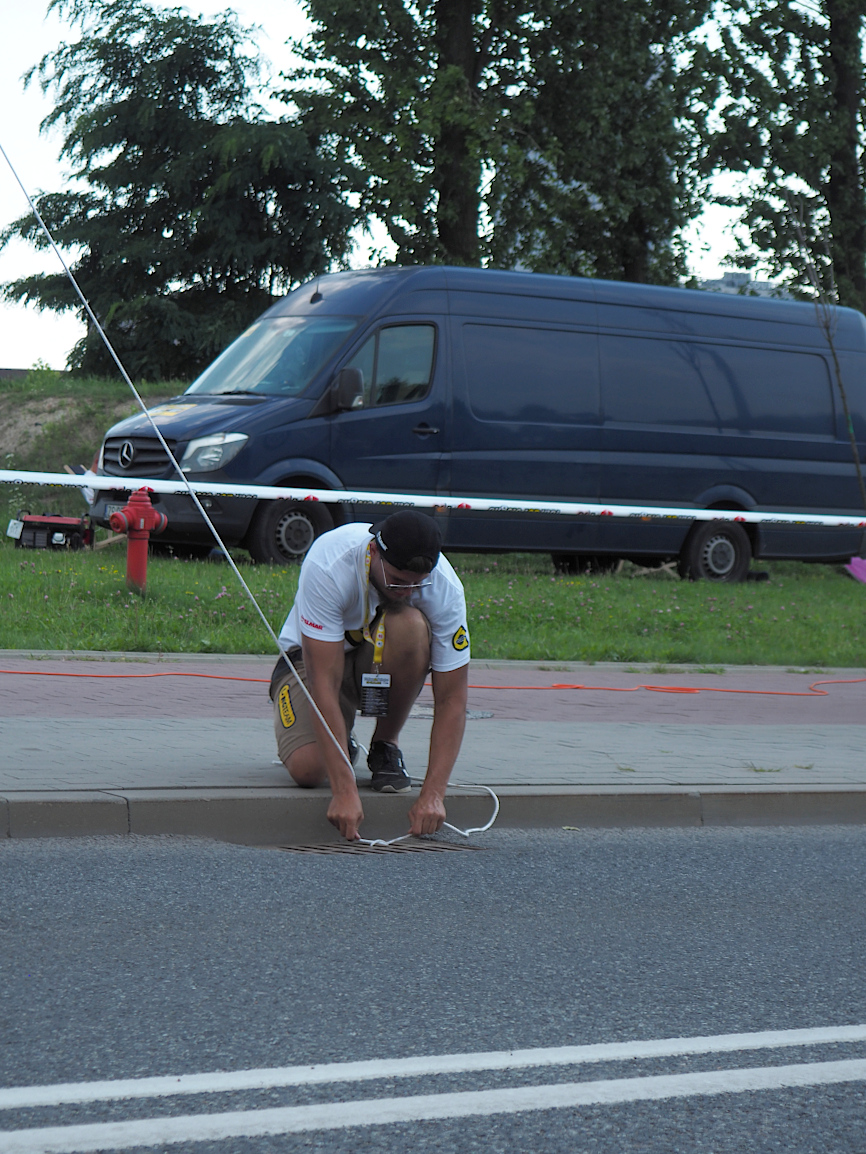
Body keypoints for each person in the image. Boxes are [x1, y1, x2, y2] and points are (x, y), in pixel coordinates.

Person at [270, 510, 471, 841]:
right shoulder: (329, 561)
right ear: (373, 552)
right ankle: (341, 745)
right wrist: (344, 790)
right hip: (311, 661)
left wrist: (434, 795)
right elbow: (324, 684)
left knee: (411, 627)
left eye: (417, 583)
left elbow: (452, 698)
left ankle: (385, 745)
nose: (408, 591)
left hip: (375, 655)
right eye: (398, 580)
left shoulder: (445, 587)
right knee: (308, 769)